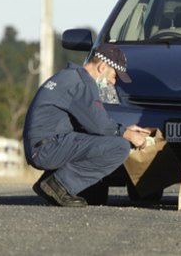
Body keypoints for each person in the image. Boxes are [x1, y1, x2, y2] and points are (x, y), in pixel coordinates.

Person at [23, 44, 151, 207]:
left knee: (107, 137)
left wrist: (123, 129)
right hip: (46, 149)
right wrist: (127, 134)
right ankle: (59, 185)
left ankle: (51, 182)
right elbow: (100, 127)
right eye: (114, 75)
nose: (113, 82)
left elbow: (94, 123)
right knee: (120, 147)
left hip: (44, 145)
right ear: (102, 67)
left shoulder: (70, 77)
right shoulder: (83, 84)